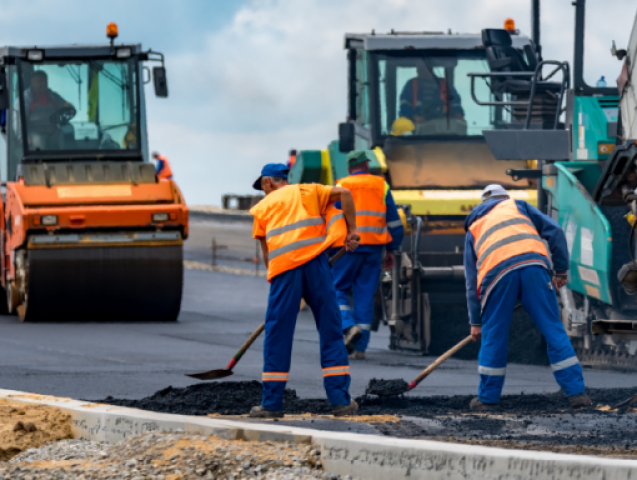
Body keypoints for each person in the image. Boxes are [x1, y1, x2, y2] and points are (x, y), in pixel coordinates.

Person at [464, 184, 592, 410]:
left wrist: (476, 322)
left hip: (497, 276)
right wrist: (561, 271)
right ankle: (577, 394)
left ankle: (487, 399)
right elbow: (556, 232)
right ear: (504, 197)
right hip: (534, 267)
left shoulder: (474, 226)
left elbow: (471, 279)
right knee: (554, 330)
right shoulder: (519, 206)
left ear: (483, 203)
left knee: (494, 335)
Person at [249, 163, 361, 418]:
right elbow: (345, 193)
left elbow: (267, 256)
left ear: (268, 182)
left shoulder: (263, 208)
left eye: (263, 187)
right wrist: (352, 230)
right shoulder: (308, 191)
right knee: (331, 331)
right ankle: (340, 401)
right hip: (317, 265)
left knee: (278, 334)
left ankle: (272, 404)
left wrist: (282, 290)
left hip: (284, 271)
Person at [331, 150, 404, 360]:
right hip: (373, 249)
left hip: (346, 248)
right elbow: (395, 223)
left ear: (349, 167)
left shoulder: (341, 184)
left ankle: (348, 326)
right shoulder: (381, 185)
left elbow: (333, 219)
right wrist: (392, 249)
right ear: (367, 165)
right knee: (365, 296)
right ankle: (360, 348)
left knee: (337, 289)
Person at [398, 58, 466, 135]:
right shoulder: (411, 84)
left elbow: (455, 102)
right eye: (418, 68)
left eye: (422, 67)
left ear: (430, 68)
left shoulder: (445, 84)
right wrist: (414, 116)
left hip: (445, 128)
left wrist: (458, 114)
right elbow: (404, 105)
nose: (419, 70)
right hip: (419, 130)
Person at [22, 70, 74, 149]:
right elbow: (19, 119)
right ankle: (38, 160)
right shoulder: (25, 98)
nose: (43, 84)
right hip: (34, 131)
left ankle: (63, 159)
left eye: (45, 81)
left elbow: (64, 104)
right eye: (40, 81)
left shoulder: (52, 96)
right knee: (38, 141)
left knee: (62, 134)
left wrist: (68, 106)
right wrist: (22, 136)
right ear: (32, 82)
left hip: (52, 130)